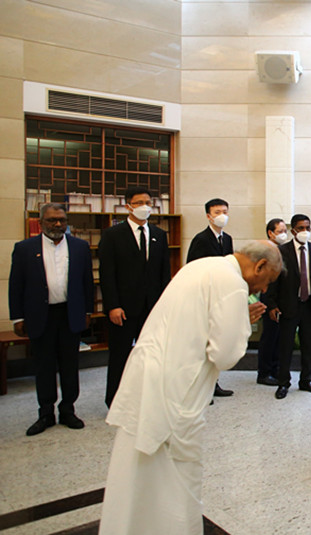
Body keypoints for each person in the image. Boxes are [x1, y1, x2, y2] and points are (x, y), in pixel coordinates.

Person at [98, 241, 281, 535]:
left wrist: (236, 318)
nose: (263, 289)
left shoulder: (201, 266)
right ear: (259, 266)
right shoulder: (233, 283)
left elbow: (195, 322)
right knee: (177, 476)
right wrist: (241, 324)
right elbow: (225, 355)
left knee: (135, 471)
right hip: (176, 389)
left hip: (150, 375)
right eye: (267, 281)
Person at [9, 203, 94, 436]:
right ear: (40, 223)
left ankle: (68, 410)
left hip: (70, 314)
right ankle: (45, 413)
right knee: (44, 365)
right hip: (40, 315)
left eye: (62, 220)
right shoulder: (25, 248)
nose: (58, 224)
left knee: (70, 365)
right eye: (52, 220)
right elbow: (16, 285)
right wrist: (17, 317)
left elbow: (87, 282)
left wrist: (87, 312)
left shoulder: (79, 247)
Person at [99, 186, 171, 408]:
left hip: (152, 307)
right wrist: (113, 305)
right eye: (139, 203)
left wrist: (164, 305)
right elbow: (107, 274)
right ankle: (115, 401)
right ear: (128, 206)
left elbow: (164, 273)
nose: (144, 207)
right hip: (123, 308)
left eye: (148, 203)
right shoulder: (112, 235)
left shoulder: (159, 235)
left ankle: (147, 399)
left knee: (151, 356)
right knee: (120, 356)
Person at [264, 214, 311, 399]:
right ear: (293, 231)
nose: (305, 231)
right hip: (288, 305)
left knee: (308, 345)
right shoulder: (281, 251)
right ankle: (283, 383)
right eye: (301, 228)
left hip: (309, 306)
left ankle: (306, 380)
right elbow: (273, 279)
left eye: (307, 228)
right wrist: (272, 304)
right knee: (285, 346)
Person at [186, 198, 235, 398]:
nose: (222, 216)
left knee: (215, 342)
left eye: (225, 211)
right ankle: (201, 387)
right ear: (208, 216)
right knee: (202, 343)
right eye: (217, 212)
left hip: (220, 296)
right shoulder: (201, 239)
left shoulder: (227, 238)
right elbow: (193, 268)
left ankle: (213, 383)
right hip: (204, 296)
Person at [256, 218, 288, 386]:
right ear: (270, 233)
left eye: (285, 231)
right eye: (280, 231)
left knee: (278, 338)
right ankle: (264, 373)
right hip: (269, 301)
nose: (284, 234)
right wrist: (271, 305)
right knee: (269, 337)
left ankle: (275, 370)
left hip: (281, 300)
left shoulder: (282, 250)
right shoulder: (265, 251)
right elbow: (265, 281)